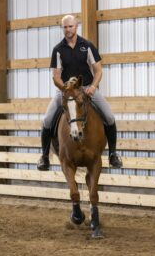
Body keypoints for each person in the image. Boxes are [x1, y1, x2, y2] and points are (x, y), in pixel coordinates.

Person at [37, 14, 123, 171]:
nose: (68, 29)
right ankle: (44, 157)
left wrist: (93, 87)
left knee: (109, 116)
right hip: (66, 91)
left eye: (70, 26)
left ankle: (113, 154)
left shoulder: (87, 46)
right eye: (65, 27)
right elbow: (56, 75)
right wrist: (65, 89)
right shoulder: (58, 49)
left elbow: (98, 70)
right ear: (62, 28)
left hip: (86, 89)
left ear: (76, 26)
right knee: (47, 120)